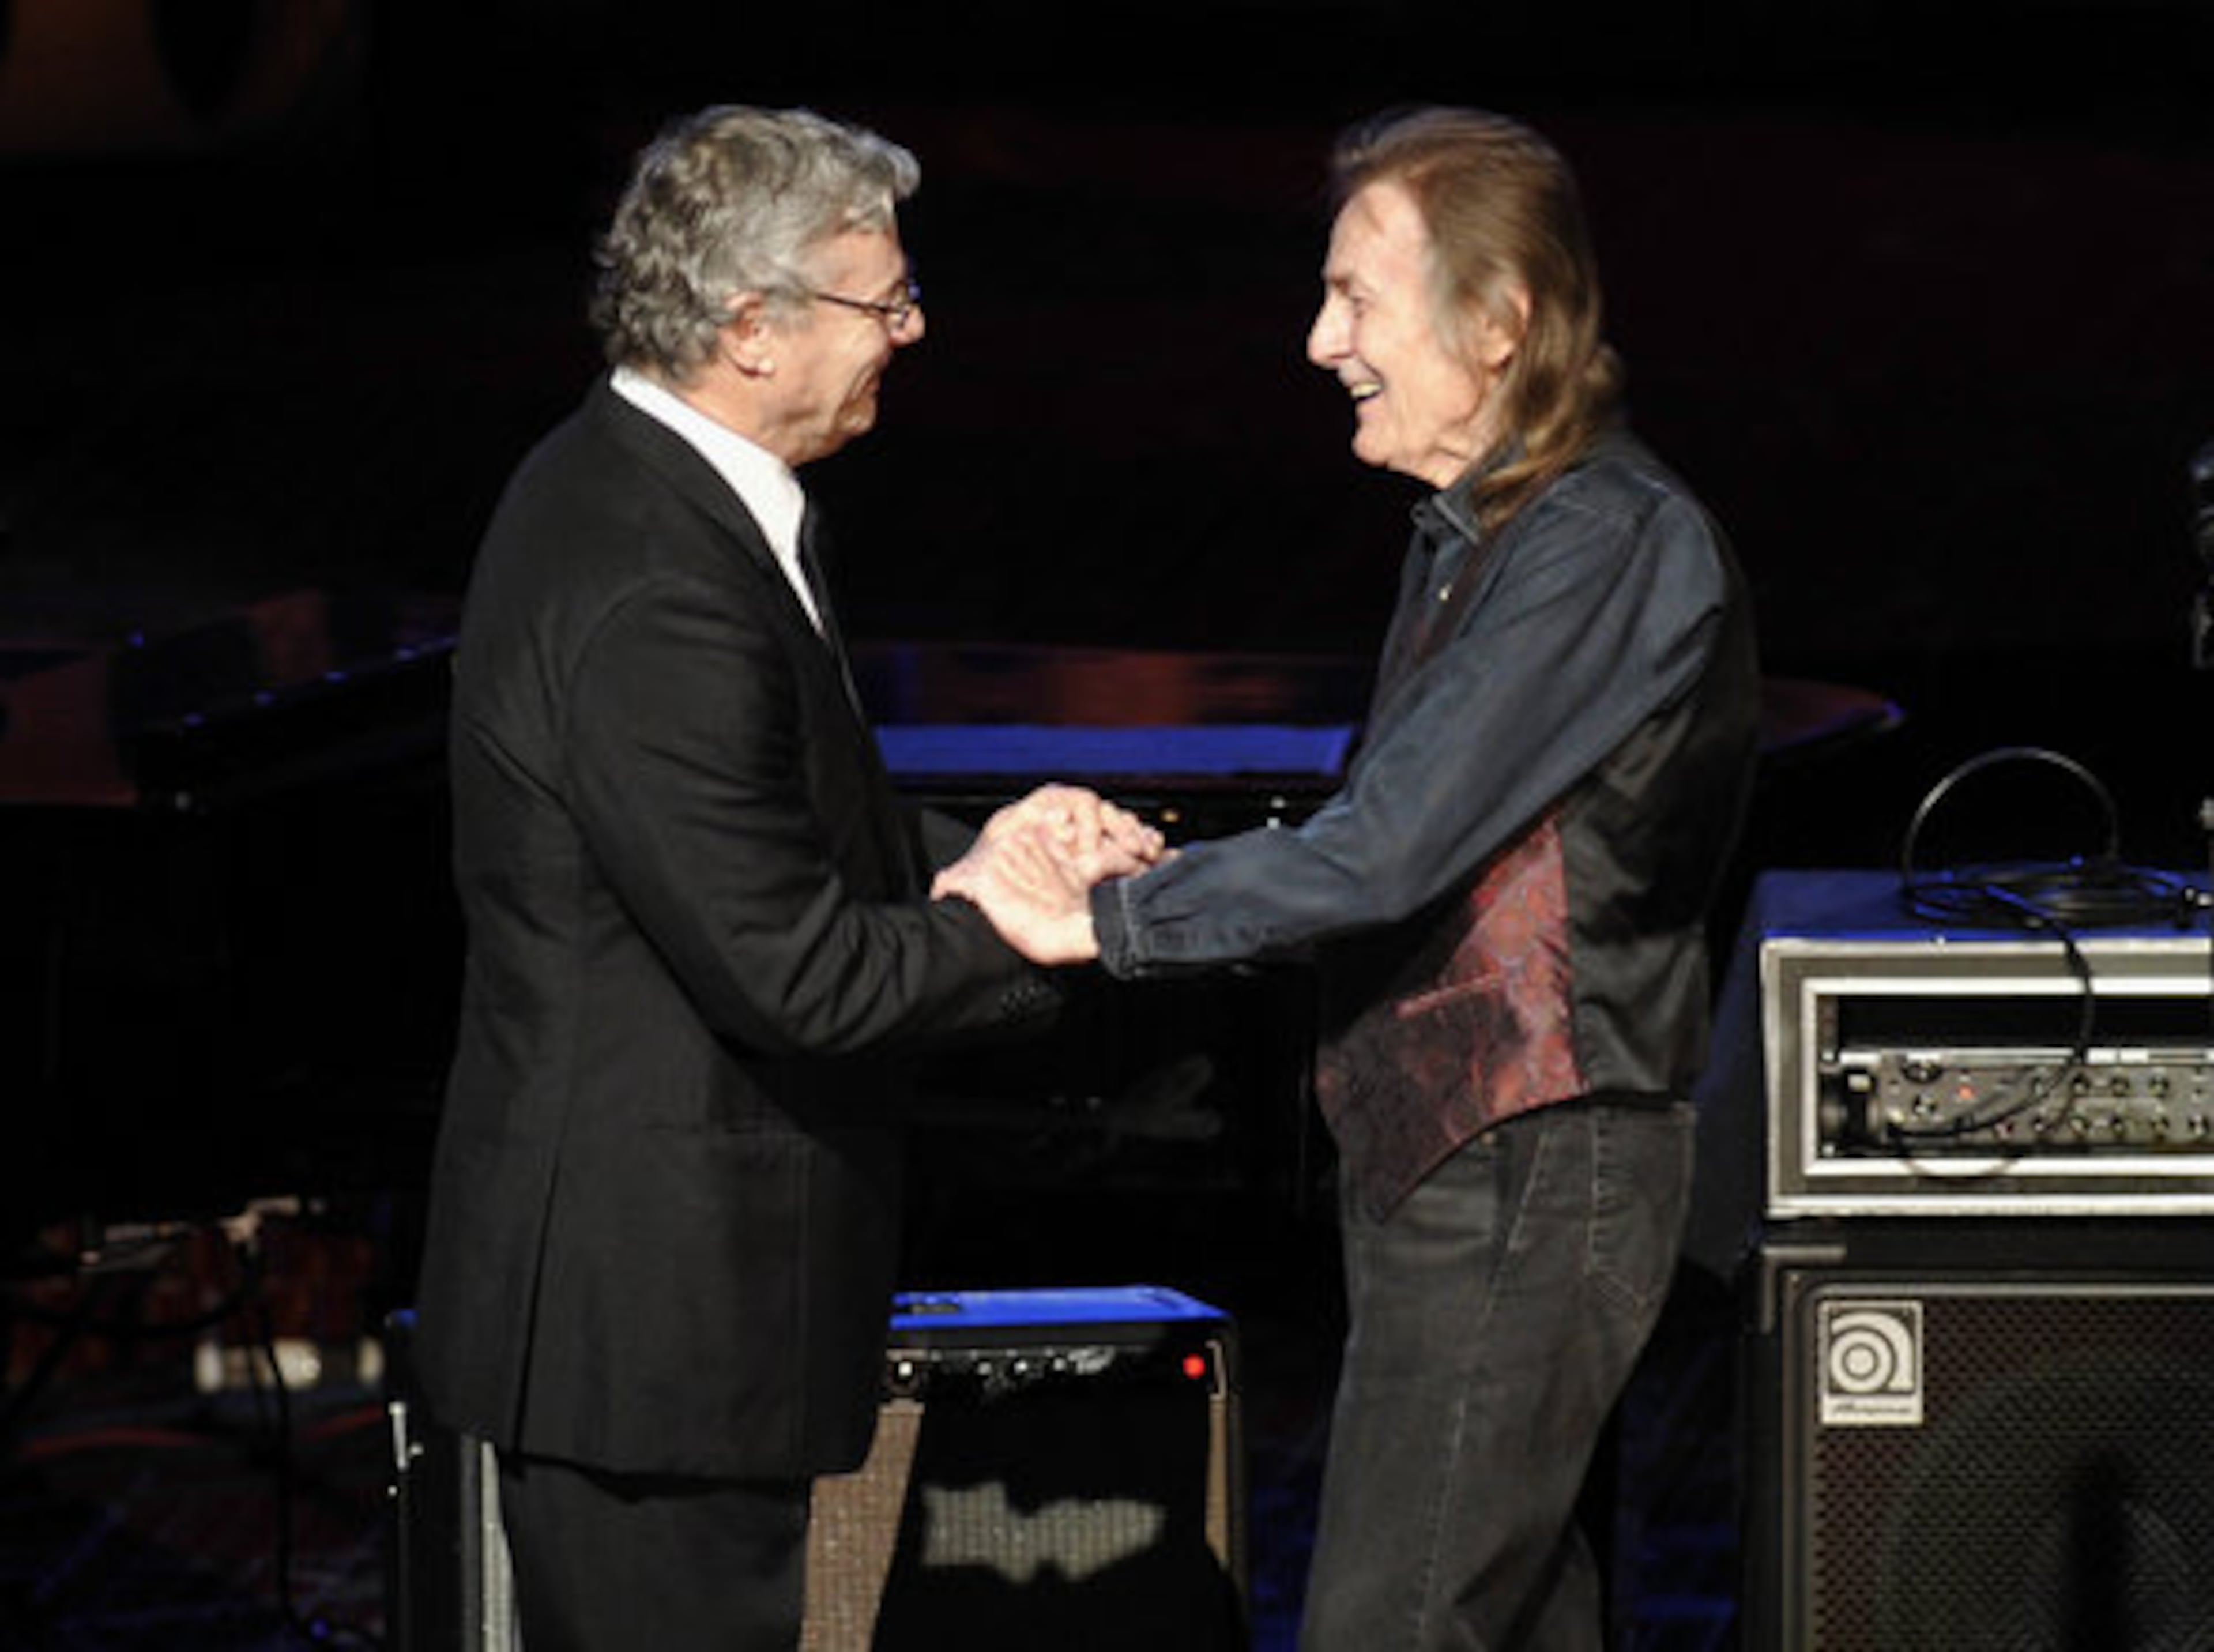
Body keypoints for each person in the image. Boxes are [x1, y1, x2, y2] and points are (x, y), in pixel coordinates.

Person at [938, 106, 1761, 1650]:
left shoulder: (1606, 541)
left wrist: (1103, 915)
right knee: (1515, 1617)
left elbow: (1386, 850)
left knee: (1397, 1621)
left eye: (1356, 298)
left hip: (1532, 1152)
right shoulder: (1478, 536)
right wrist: (1168, 873)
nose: (1322, 343)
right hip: (1463, 1155)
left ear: (1499, 320)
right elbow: (1393, 832)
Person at [409, 104, 1155, 1651]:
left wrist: (988, 850)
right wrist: (1015, 923)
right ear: (750, 327)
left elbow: (782, 829)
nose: (912, 330)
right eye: (884, 300)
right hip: (653, 1328)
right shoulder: (655, 580)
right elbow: (796, 973)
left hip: (671, 1322)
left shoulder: (661, 495)